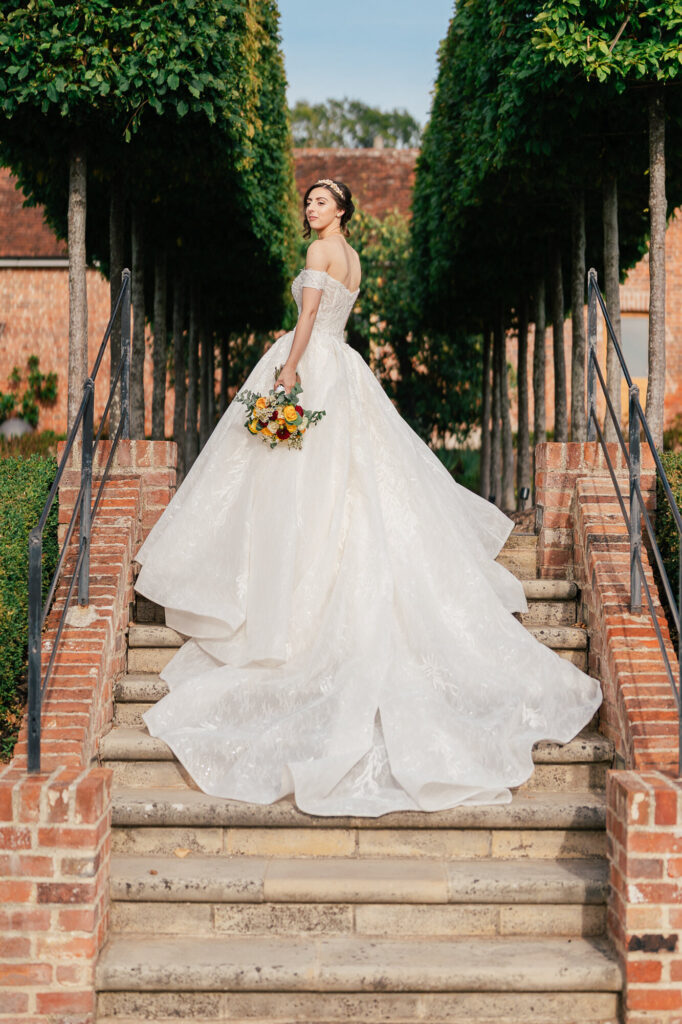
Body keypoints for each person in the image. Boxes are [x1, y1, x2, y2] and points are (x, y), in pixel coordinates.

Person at [133, 178, 602, 817]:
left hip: (314, 364)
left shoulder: (320, 255)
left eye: (321, 202)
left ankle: (281, 592)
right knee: (343, 482)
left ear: (342, 210)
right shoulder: (351, 257)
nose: (310, 207)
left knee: (291, 482)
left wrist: (289, 371)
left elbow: (305, 319)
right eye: (309, 201)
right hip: (345, 370)